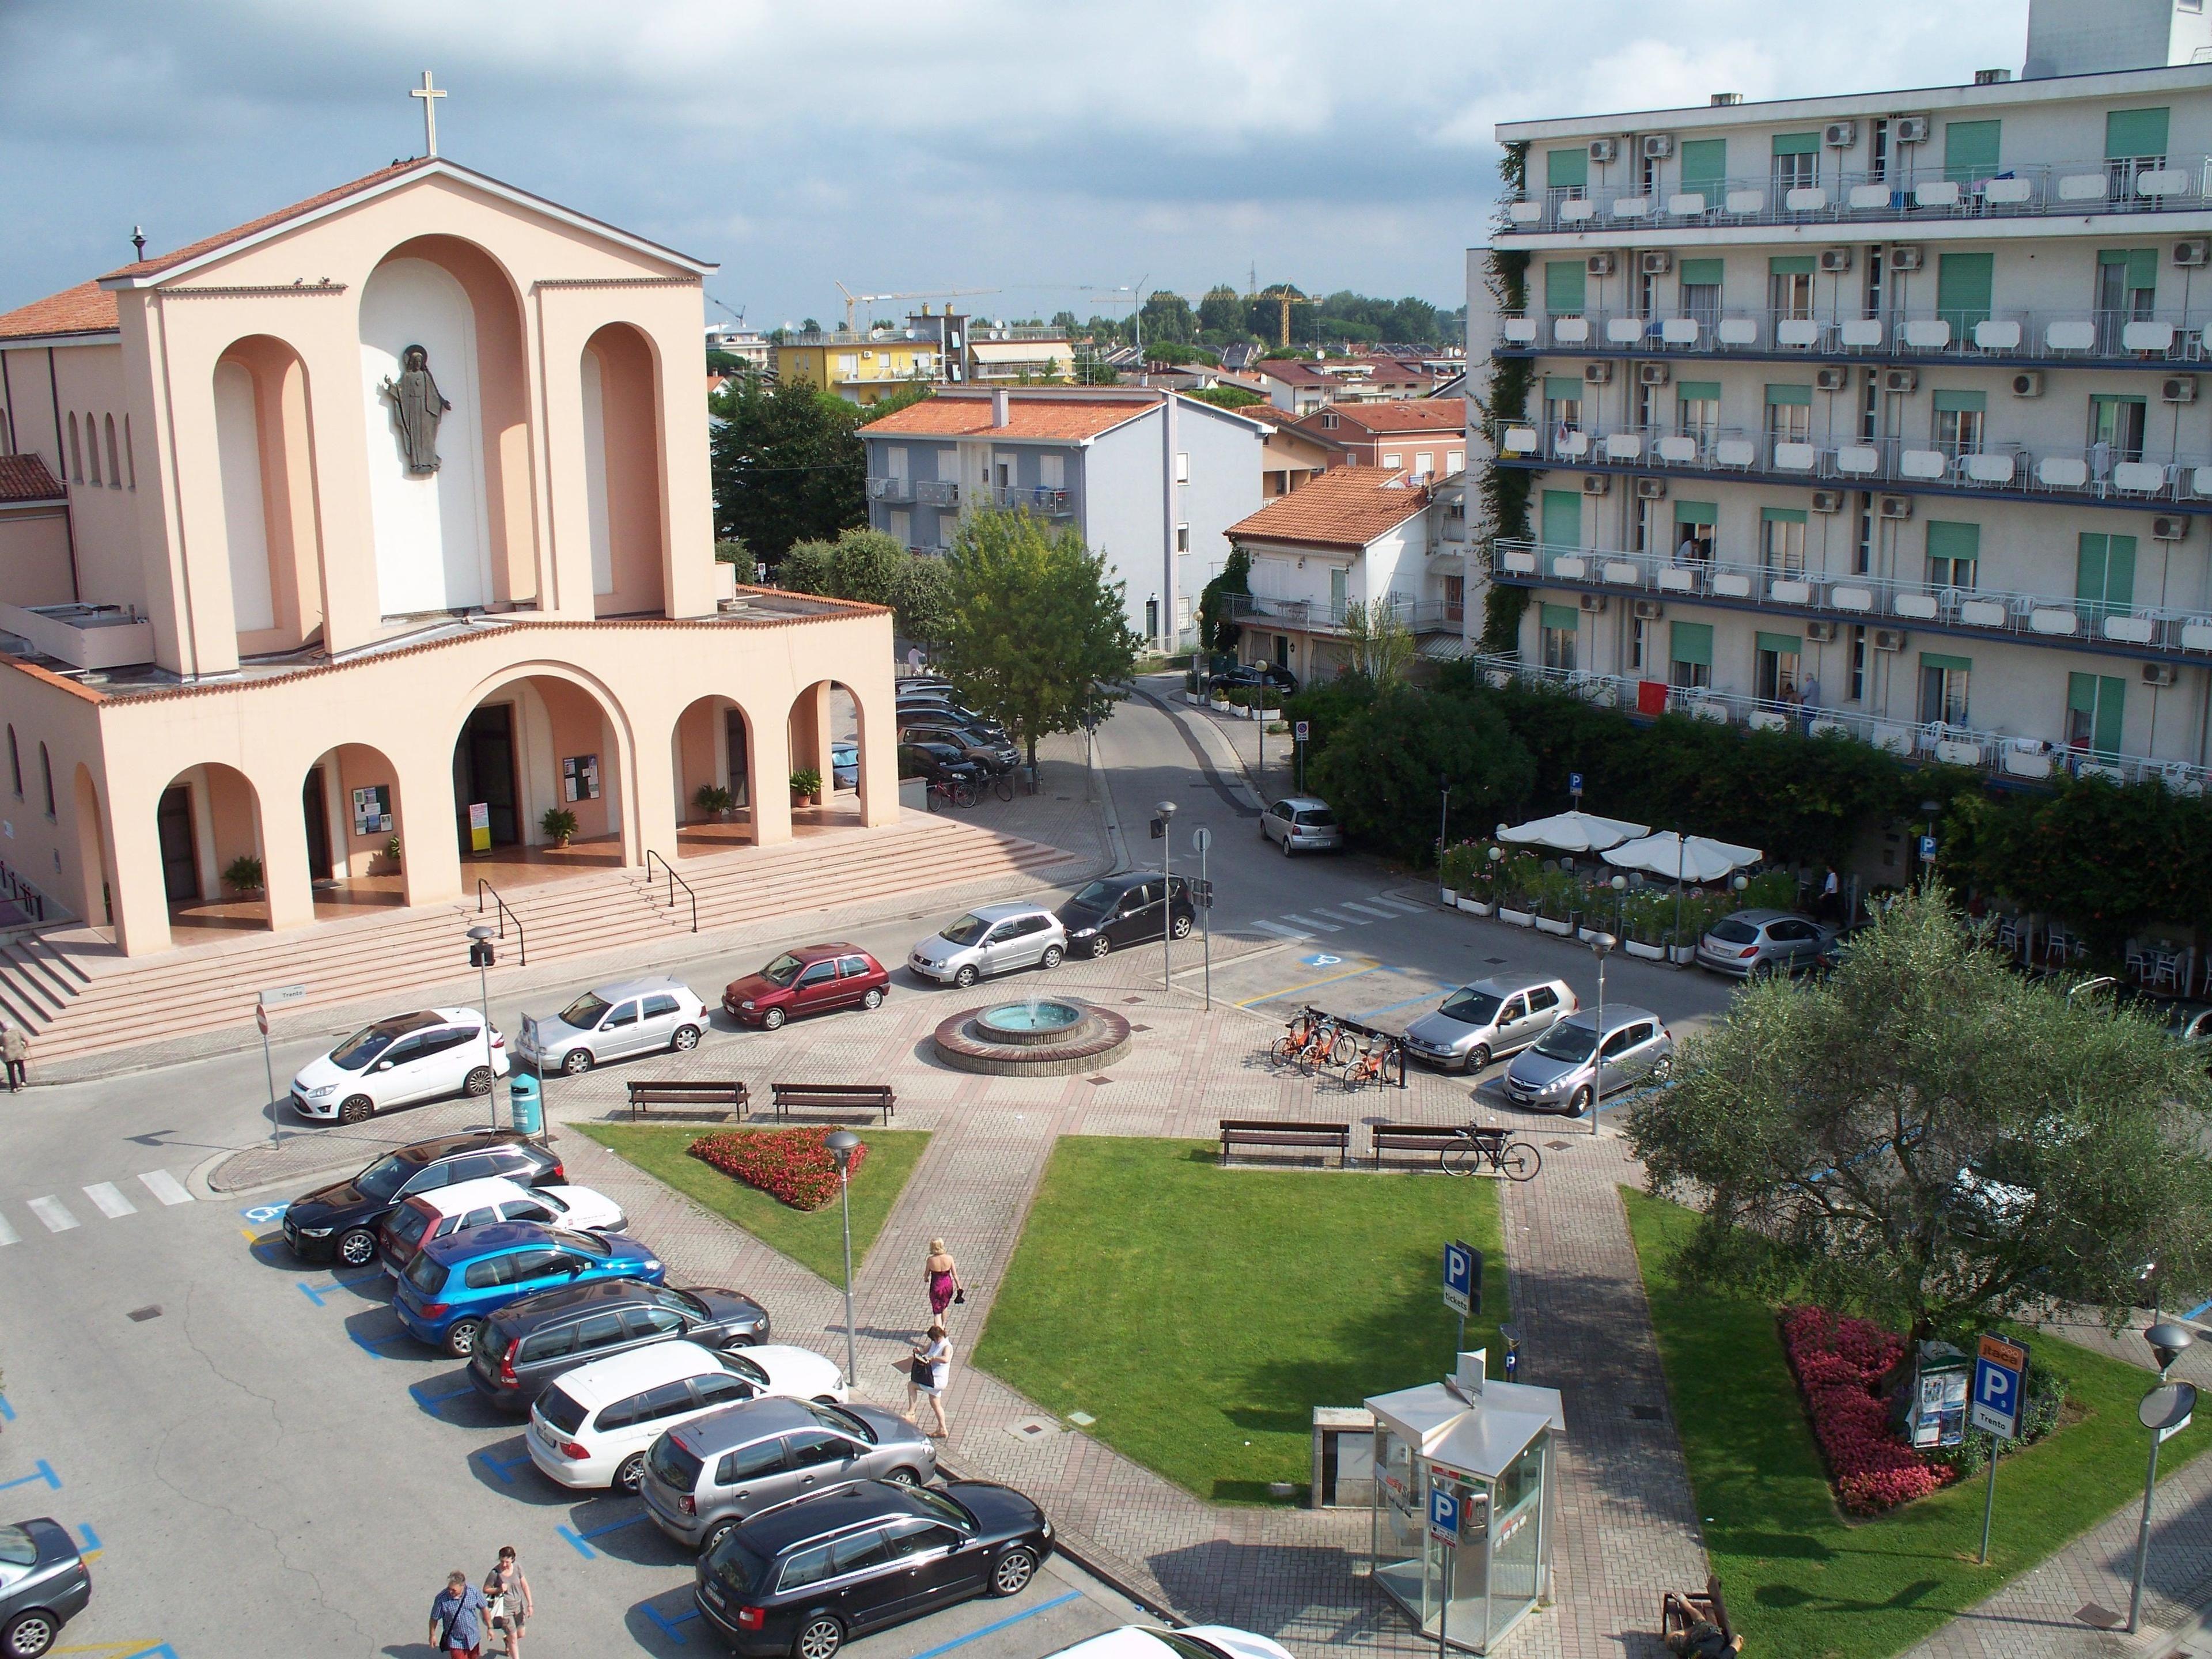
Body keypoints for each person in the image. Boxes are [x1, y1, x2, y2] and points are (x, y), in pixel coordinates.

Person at [429, 1569, 490, 1659]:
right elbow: (434, 1618)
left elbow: (484, 1608)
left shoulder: (473, 1591)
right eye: (449, 1589)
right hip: (455, 1639)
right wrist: (432, 1635)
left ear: (463, 1586)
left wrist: (490, 1627)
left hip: (473, 1637)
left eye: (454, 1590)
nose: (450, 1592)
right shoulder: (441, 1599)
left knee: (474, 1657)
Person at [484, 1546, 532, 1658]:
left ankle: (507, 1640)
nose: (504, 1565)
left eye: (507, 1562)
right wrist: (499, 1589)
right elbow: (486, 1589)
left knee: (521, 1634)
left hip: (518, 1607)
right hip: (505, 1610)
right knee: (514, 1639)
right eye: (502, 1561)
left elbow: (525, 1585)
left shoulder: (517, 1568)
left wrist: (530, 1604)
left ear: (513, 1559)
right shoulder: (495, 1573)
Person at [907, 1319, 951, 1437]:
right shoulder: (934, 1343)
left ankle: (911, 1413)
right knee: (935, 1404)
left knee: (912, 1385)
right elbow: (924, 1351)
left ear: (937, 1337)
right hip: (933, 1378)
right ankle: (943, 1429)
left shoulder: (946, 1346)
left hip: (937, 1380)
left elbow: (946, 1359)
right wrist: (919, 1352)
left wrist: (933, 1358)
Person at [924, 1238, 964, 1321]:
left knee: (937, 1311)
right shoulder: (949, 1258)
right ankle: (943, 1326)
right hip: (947, 1285)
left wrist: (926, 1278)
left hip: (936, 1286)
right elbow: (955, 1275)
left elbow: (926, 1273)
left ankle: (939, 1330)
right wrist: (959, 1286)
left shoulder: (930, 1260)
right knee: (944, 1305)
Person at [1, 1023, 23, 1092]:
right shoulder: (17, 1032)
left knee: (11, 1072)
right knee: (21, 1068)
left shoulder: (3, 1035)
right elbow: (25, 1039)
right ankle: (23, 1081)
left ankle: (14, 1088)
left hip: (9, 1055)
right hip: (18, 1053)